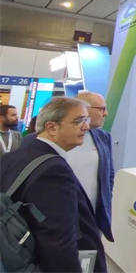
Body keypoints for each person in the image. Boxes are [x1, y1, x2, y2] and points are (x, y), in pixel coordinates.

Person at [0, 97, 106, 272]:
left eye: (86, 120)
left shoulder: (17, 155)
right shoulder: (53, 170)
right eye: (78, 121)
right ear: (51, 127)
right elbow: (57, 240)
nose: (86, 127)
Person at [66, 91, 115, 242]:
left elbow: (109, 174)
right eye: (101, 109)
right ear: (83, 109)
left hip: (93, 217)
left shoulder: (103, 137)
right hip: (63, 213)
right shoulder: (60, 136)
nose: (106, 114)